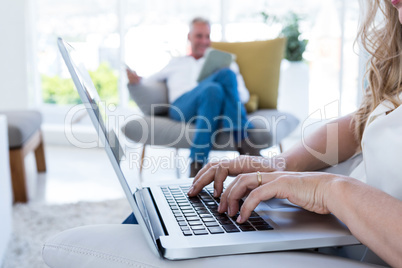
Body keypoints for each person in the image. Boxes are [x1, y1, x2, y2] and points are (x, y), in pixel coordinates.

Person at [187, 1, 402, 266]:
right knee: (154, 218)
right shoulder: (178, 65)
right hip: (323, 233)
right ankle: (241, 141)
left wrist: (326, 189)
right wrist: (278, 164)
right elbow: (362, 123)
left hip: (348, 249)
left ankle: (214, 151)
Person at [127, 17, 256, 177]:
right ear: (189, 37)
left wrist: (222, 80)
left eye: (207, 36)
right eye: (199, 36)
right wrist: (136, 80)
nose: (204, 41)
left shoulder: (225, 63)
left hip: (212, 107)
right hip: (182, 107)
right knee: (213, 86)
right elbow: (147, 81)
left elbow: (242, 96)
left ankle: (196, 166)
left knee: (215, 87)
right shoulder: (177, 62)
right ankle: (245, 144)